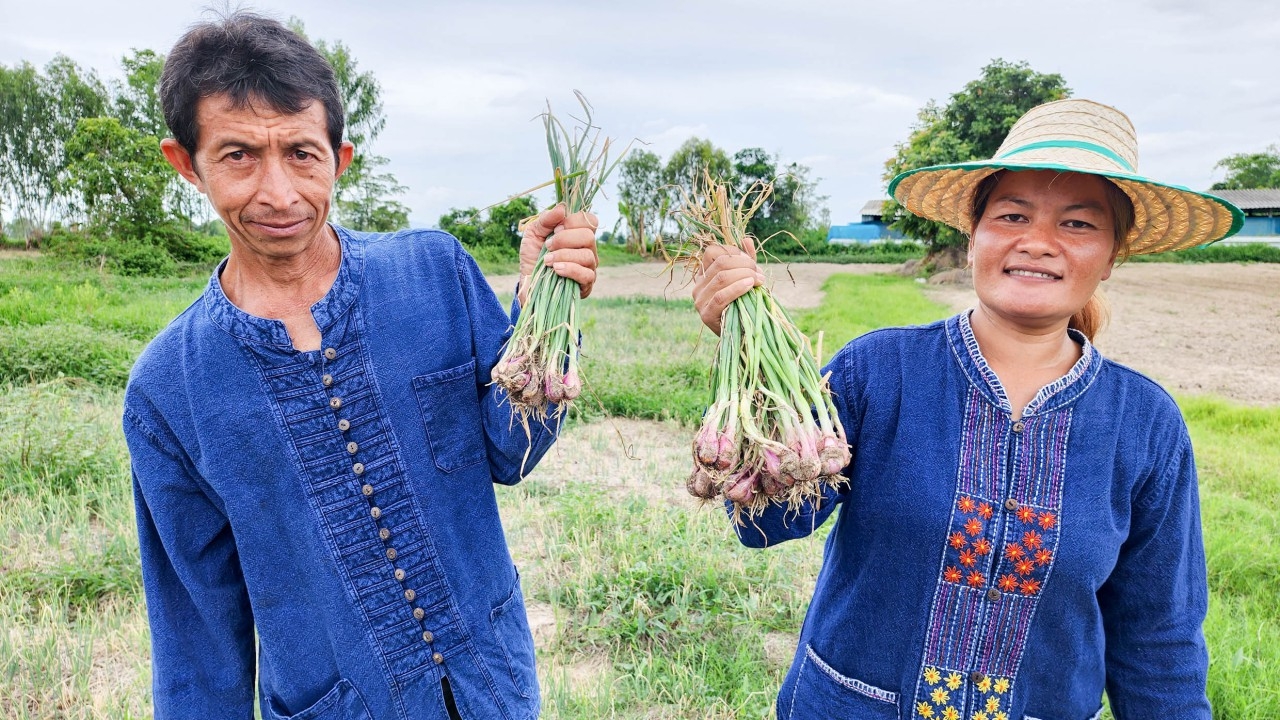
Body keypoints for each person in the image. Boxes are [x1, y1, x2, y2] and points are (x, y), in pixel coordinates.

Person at [692, 98, 1242, 719]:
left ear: (1113, 255)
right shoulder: (877, 372)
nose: (1038, 243)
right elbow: (764, 526)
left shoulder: (1145, 426)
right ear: (973, 234)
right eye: (1012, 215)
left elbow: (1159, 642)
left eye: (1078, 224)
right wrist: (754, 365)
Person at [124, 12, 598, 720]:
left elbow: (511, 449)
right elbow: (198, 641)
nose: (279, 193)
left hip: (494, 684)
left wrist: (542, 313)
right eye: (239, 155)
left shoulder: (433, 271)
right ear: (185, 162)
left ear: (340, 159)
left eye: (302, 154)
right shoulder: (168, 391)